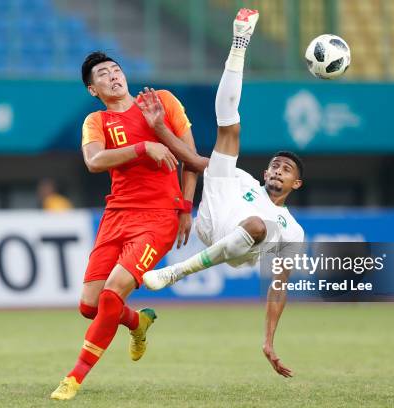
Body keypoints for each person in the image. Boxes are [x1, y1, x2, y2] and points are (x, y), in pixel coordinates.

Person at [142, 8, 305, 378]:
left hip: (242, 246)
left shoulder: (292, 230)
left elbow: (278, 288)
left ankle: (176, 273)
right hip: (211, 220)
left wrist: (269, 340)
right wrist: (160, 130)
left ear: (296, 184)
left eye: (287, 169)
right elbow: (191, 159)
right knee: (228, 131)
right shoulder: (244, 179)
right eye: (275, 165)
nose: (278, 170)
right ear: (266, 172)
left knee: (260, 224)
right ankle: (239, 43)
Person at [51, 51, 206, 400]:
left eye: (116, 69)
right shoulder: (96, 121)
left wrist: (184, 205)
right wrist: (143, 147)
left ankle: (74, 378)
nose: (113, 76)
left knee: (111, 293)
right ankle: (138, 322)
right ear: (94, 90)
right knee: (89, 306)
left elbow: (191, 158)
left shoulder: (161, 101)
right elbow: (93, 161)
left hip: (158, 217)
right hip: (117, 215)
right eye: (103, 75)